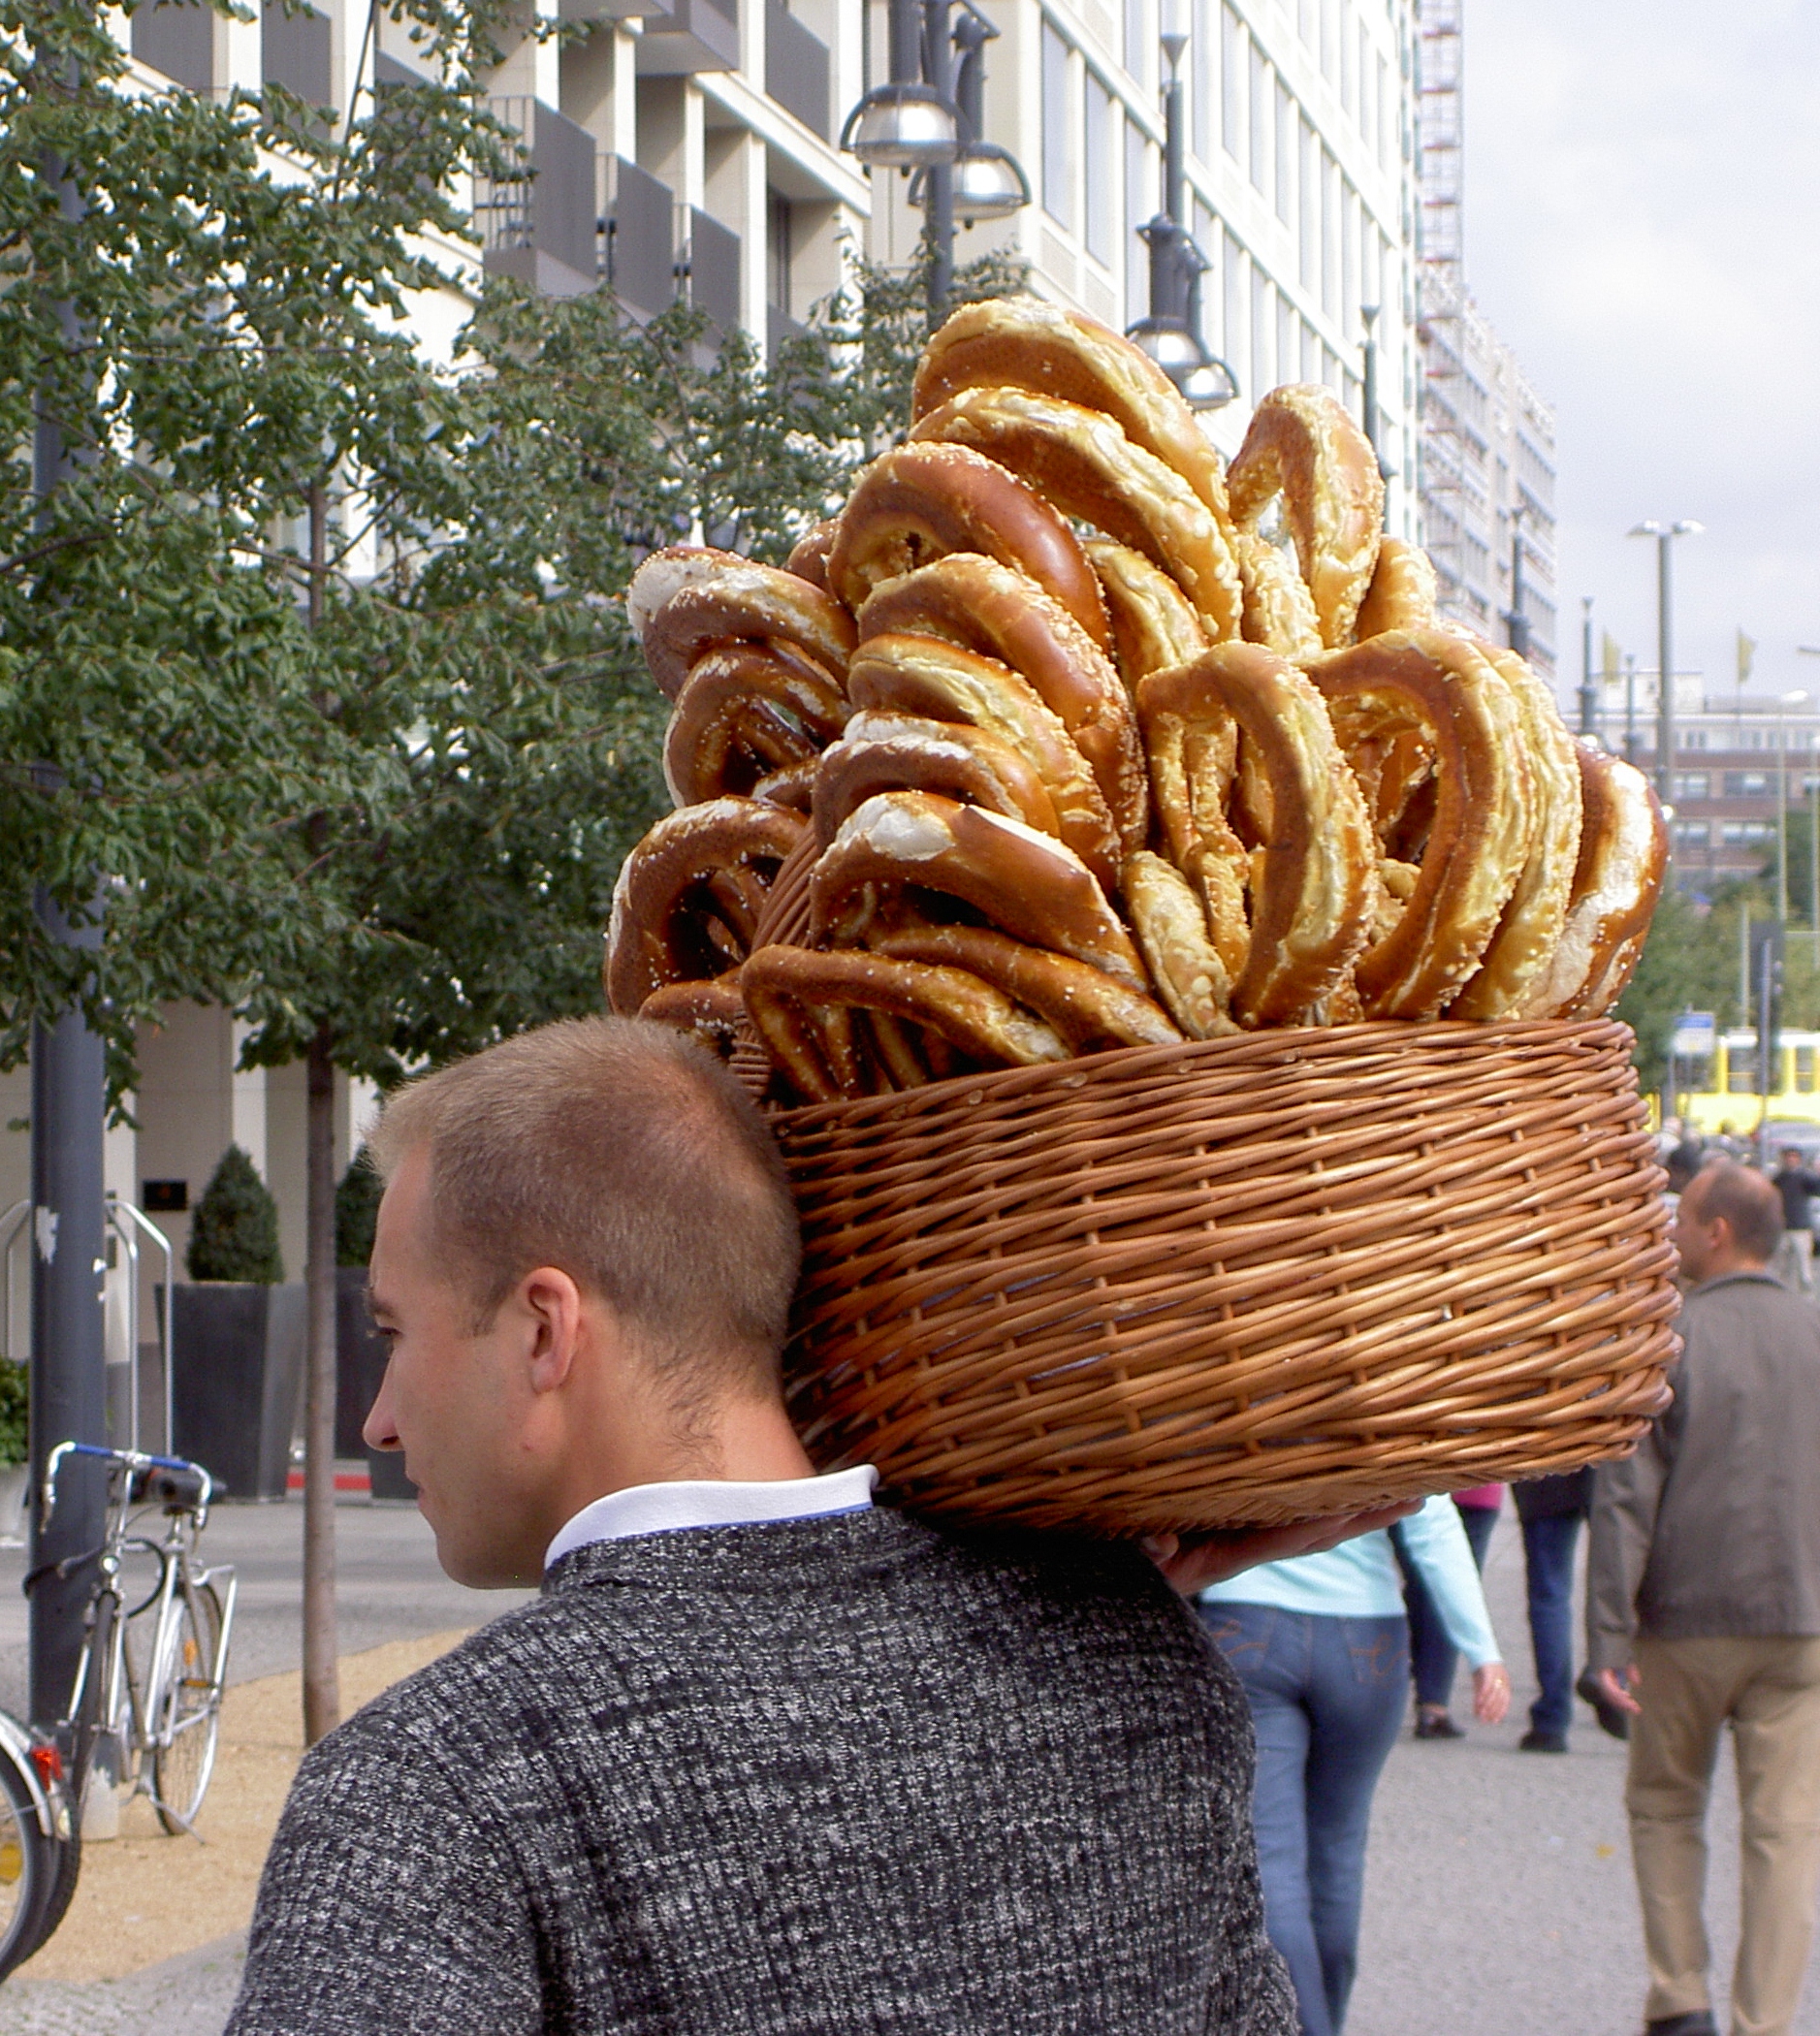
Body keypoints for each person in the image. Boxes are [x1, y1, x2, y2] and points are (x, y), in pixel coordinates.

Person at [225, 1015, 1407, 2036]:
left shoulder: (437, 1790)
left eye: (392, 1331)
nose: (377, 1421)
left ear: (544, 1330)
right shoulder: (1140, 1662)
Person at [1587, 1161, 1820, 2036]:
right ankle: (1767, 2020)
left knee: (1663, 1805)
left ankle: (1679, 1994)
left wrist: (1606, 1640)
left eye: (1681, 1218)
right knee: (1786, 1832)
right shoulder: (1814, 1330)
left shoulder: (1669, 1337)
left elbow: (1623, 1500)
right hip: (1801, 1621)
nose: (1672, 1231)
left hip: (1683, 1618)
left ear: (1716, 1231)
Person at [1198, 1499, 1511, 2036]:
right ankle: (1327, 2022)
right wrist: (1482, 1650)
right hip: (1367, 1640)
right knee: (1338, 1854)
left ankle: (1301, 2025)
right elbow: (1432, 1524)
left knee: (1272, 1864)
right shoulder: (1383, 1413)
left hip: (1244, 1619)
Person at [1395, 1484, 1501, 1739]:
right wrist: (1483, 1653)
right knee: (1447, 1581)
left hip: (1404, 1485)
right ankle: (1434, 1703)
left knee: (1420, 1586)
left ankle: (1421, 1688)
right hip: (1474, 1485)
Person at [1511, 1470, 1592, 1753]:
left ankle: (1552, 1718)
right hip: (1613, 1461)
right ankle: (1613, 1681)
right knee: (1620, 1578)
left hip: (1545, 1469)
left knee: (1549, 1593)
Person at [1770, 1145, 1820, 1293]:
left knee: (1804, 1268)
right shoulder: (1779, 1178)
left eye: (1794, 1157)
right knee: (1781, 1267)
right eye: (1788, 1157)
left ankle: (1807, 1298)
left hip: (1801, 1228)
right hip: (1783, 1227)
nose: (1791, 1160)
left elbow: (1816, 1189)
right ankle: (1781, 1295)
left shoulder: (1805, 1177)